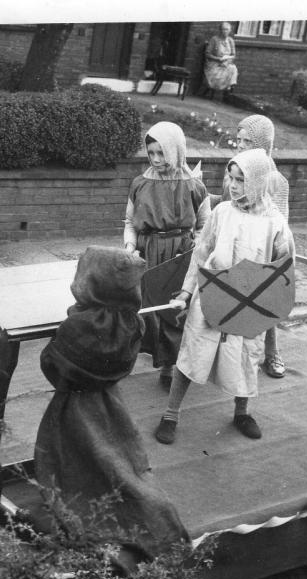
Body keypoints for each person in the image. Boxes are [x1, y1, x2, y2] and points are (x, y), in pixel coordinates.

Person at [34, 246, 189, 564]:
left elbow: (52, 367)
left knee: (74, 461)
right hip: (111, 404)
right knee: (116, 457)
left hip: (73, 408)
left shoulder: (78, 326)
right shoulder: (132, 322)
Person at [154, 148, 292, 445]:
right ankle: (170, 413)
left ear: (257, 181)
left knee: (245, 358)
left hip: (248, 304)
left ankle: (242, 412)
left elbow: (284, 267)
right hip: (211, 295)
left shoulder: (275, 222)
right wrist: (188, 291)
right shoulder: (221, 213)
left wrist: (270, 303)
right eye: (230, 178)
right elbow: (200, 254)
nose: (232, 185)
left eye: (241, 180)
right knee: (193, 354)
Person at [124, 121, 210, 388]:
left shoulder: (195, 187)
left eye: (162, 153)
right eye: (151, 153)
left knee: (172, 311)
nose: (156, 159)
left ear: (176, 150)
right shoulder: (140, 184)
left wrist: (196, 248)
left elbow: (204, 226)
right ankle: (137, 359)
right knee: (145, 309)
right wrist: (130, 246)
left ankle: (169, 367)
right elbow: (129, 221)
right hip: (148, 250)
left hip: (180, 254)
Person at [236, 114, 293, 379]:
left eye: (247, 141)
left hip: (263, 250)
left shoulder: (276, 180)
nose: (240, 146)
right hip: (237, 244)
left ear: (262, 146)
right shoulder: (236, 169)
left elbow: (280, 223)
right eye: (238, 139)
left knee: (264, 305)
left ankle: (272, 353)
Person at [203, 22, 238, 95]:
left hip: (226, 63)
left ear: (230, 30)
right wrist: (218, 59)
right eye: (223, 29)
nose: (225, 31)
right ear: (220, 30)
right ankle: (226, 88)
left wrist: (228, 60)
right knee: (223, 71)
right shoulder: (214, 39)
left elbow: (233, 55)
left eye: (227, 30)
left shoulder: (231, 41)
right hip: (214, 63)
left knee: (233, 68)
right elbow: (207, 54)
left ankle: (229, 89)